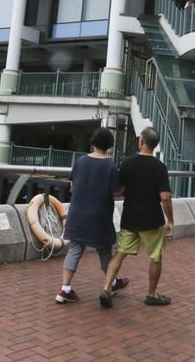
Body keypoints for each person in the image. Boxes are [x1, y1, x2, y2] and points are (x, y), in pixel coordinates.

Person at [99, 127, 174, 308]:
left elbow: (119, 189)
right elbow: (165, 197)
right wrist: (170, 220)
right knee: (155, 257)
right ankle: (151, 294)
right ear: (155, 146)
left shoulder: (127, 163)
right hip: (152, 219)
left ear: (141, 142)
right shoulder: (160, 168)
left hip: (130, 217)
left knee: (119, 255)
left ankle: (107, 288)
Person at [54, 127, 129, 303]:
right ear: (109, 145)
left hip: (77, 213)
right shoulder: (110, 166)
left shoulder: (80, 161)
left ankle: (65, 289)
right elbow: (116, 191)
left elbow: (73, 184)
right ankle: (111, 283)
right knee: (104, 251)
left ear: (93, 142)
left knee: (75, 249)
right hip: (99, 216)